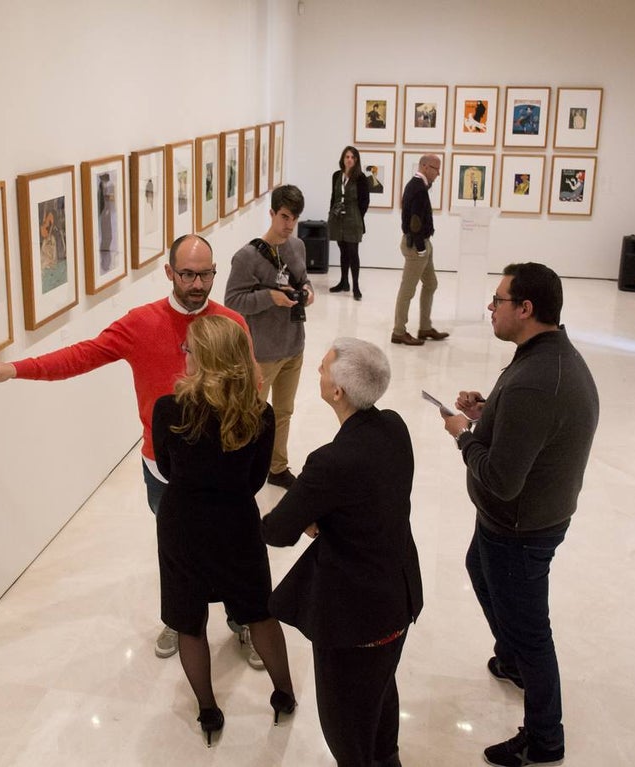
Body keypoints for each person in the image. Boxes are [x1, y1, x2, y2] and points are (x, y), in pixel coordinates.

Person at [0, 234, 258, 665]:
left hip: (223, 467)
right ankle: (180, 618)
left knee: (231, 545)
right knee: (176, 548)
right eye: (189, 275)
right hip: (163, 466)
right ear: (169, 273)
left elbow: (251, 388)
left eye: (207, 274)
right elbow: (83, 355)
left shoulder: (231, 324)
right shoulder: (140, 324)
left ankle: (242, 616)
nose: (198, 284)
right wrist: (16, 369)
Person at [438, 263, 599, 767]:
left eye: (498, 300)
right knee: (478, 571)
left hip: (519, 525)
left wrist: (464, 435)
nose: (491, 308)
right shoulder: (545, 357)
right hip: (520, 519)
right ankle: (512, 658)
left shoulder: (535, 380)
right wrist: (490, 411)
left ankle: (545, 738)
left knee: (532, 630)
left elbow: (503, 478)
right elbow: (534, 427)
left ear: (525, 309)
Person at [263, 337, 422, 767]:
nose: (317, 370)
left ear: (338, 392)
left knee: (345, 723)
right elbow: (372, 498)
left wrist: (306, 515)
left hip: (355, 617)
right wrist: (329, 515)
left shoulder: (331, 462)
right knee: (380, 692)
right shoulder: (393, 426)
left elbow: (278, 530)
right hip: (397, 598)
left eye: (323, 368)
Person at [152, 315, 295, 746]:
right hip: (236, 524)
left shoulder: (169, 409)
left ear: (206, 358)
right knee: (259, 611)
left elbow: (166, 469)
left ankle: (208, 711)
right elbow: (255, 481)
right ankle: (284, 695)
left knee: (189, 621)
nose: (186, 355)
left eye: (191, 349)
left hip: (183, 527)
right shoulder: (261, 414)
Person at [224, 184, 314, 490]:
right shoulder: (246, 257)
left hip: (293, 346)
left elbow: (303, 280)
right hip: (261, 352)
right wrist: (269, 298)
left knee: (284, 411)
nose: (289, 225)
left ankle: (277, 467)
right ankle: (242, 470)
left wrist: (308, 292)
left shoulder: (297, 247)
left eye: (295, 218)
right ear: (272, 213)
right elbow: (232, 302)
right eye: (285, 216)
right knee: (251, 415)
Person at [392, 154, 448, 346]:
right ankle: (399, 331)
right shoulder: (417, 188)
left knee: (431, 283)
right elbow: (415, 221)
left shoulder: (419, 186)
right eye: (436, 169)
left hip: (422, 244)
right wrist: (422, 247)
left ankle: (425, 327)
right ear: (424, 166)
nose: (438, 174)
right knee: (407, 290)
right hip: (417, 246)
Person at [327, 146, 371, 300]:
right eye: (347, 157)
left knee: (353, 252)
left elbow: (365, 201)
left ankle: (356, 287)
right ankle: (343, 282)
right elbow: (334, 196)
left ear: (356, 160)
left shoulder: (361, 178)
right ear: (343, 159)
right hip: (338, 218)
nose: (349, 160)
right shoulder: (336, 176)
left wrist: (357, 216)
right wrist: (332, 213)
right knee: (343, 250)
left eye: (352, 157)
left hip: (353, 217)